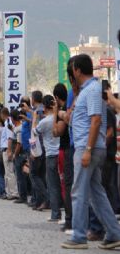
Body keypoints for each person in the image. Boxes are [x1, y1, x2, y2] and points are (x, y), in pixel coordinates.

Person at [61, 54, 120, 250]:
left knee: (78, 192)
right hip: (88, 147)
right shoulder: (86, 91)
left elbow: (96, 120)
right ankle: (113, 233)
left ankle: (78, 236)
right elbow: (81, 120)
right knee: (96, 193)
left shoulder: (93, 89)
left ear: (77, 70)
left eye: (72, 70)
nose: (72, 73)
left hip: (88, 148)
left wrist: (87, 149)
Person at [33, 95, 62, 222]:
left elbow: (35, 132)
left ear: (44, 107)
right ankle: (61, 211)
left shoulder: (44, 122)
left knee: (52, 185)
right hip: (60, 153)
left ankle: (55, 214)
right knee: (61, 184)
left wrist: (34, 119)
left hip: (50, 155)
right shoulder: (58, 117)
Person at [53, 83, 71, 232]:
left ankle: (69, 218)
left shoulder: (63, 111)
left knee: (65, 185)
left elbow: (57, 131)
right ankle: (69, 217)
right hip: (66, 150)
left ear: (57, 98)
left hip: (65, 150)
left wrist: (55, 114)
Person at [11, 109, 28, 204]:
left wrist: (15, 155)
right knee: (21, 176)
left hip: (20, 155)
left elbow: (19, 143)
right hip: (21, 154)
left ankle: (23, 196)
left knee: (20, 176)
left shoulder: (18, 129)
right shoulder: (18, 127)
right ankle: (23, 195)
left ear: (13, 119)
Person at [1, 108, 18, 200]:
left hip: (7, 149)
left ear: (3, 114)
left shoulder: (8, 123)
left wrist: (9, 151)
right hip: (6, 149)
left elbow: (10, 138)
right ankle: (9, 193)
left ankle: (14, 192)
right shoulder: (7, 123)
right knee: (7, 173)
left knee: (10, 172)